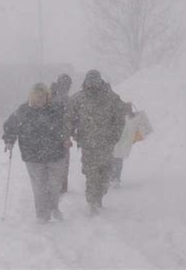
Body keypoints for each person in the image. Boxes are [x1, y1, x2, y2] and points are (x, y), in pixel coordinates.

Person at [2, 83, 72, 223]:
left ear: (47, 96)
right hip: (32, 155)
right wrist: (9, 141)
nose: (39, 99)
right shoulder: (23, 111)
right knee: (39, 187)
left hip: (56, 154)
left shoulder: (56, 109)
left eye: (42, 96)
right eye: (36, 96)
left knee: (54, 185)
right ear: (31, 97)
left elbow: (66, 125)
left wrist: (66, 138)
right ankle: (42, 215)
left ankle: (53, 207)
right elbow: (10, 126)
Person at [68, 70, 125, 215]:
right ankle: (92, 201)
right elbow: (69, 118)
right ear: (85, 82)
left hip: (107, 143)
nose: (92, 84)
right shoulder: (78, 99)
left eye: (95, 81)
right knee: (91, 173)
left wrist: (115, 135)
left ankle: (99, 196)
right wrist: (71, 133)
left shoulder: (111, 98)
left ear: (100, 81)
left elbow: (119, 119)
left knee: (105, 174)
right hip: (88, 144)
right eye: (90, 81)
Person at [50, 73, 72, 193]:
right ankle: (61, 185)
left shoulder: (52, 95)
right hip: (60, 133)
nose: (67, 86)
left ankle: (59, 185)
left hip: (56, 134)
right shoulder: (62, 98)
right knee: (62, 160)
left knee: (59, 160)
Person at [110, 101, 135, 188]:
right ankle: (114, 178)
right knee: (116, 158)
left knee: (117, 158)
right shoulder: (115, 109)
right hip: (115, 137)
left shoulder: (126, 115)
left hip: (118, 138)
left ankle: (114, 178)